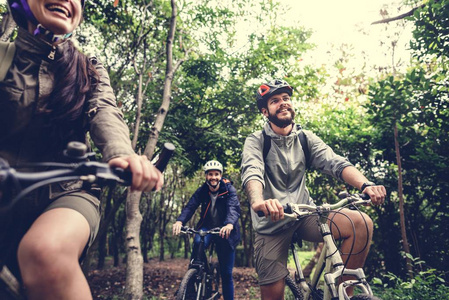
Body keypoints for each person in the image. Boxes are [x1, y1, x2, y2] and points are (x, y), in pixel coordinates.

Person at [0, 0, 163, 299]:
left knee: (45, 252)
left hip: (67, 193)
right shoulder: (3, 57)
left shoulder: (89, 69)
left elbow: (104, 113)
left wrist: (121, 154)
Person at [240, 79, 387, 300]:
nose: (283, 103)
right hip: (271, 222)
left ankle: (344, 293)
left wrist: (366, 184)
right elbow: (252, 171)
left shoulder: (305, 138)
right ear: (265, 111)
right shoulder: (256, 141)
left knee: (362, 223)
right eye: (275, 100)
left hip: (304, 214)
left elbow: (335, 162)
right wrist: (258, 201)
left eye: (286, 99)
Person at [172, 160, 241, 300]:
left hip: (225, 231)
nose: (213, 177)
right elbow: (191, 206)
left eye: (216, 174)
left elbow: (233, 208)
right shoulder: (203, 190)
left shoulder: (229, 190)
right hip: (207, 227)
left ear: (220, 176)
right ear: (206, 176)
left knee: (226, 273)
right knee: (198, 242)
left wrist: (229, 224)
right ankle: (194, 278)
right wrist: (180, 221)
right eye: (210, 174)